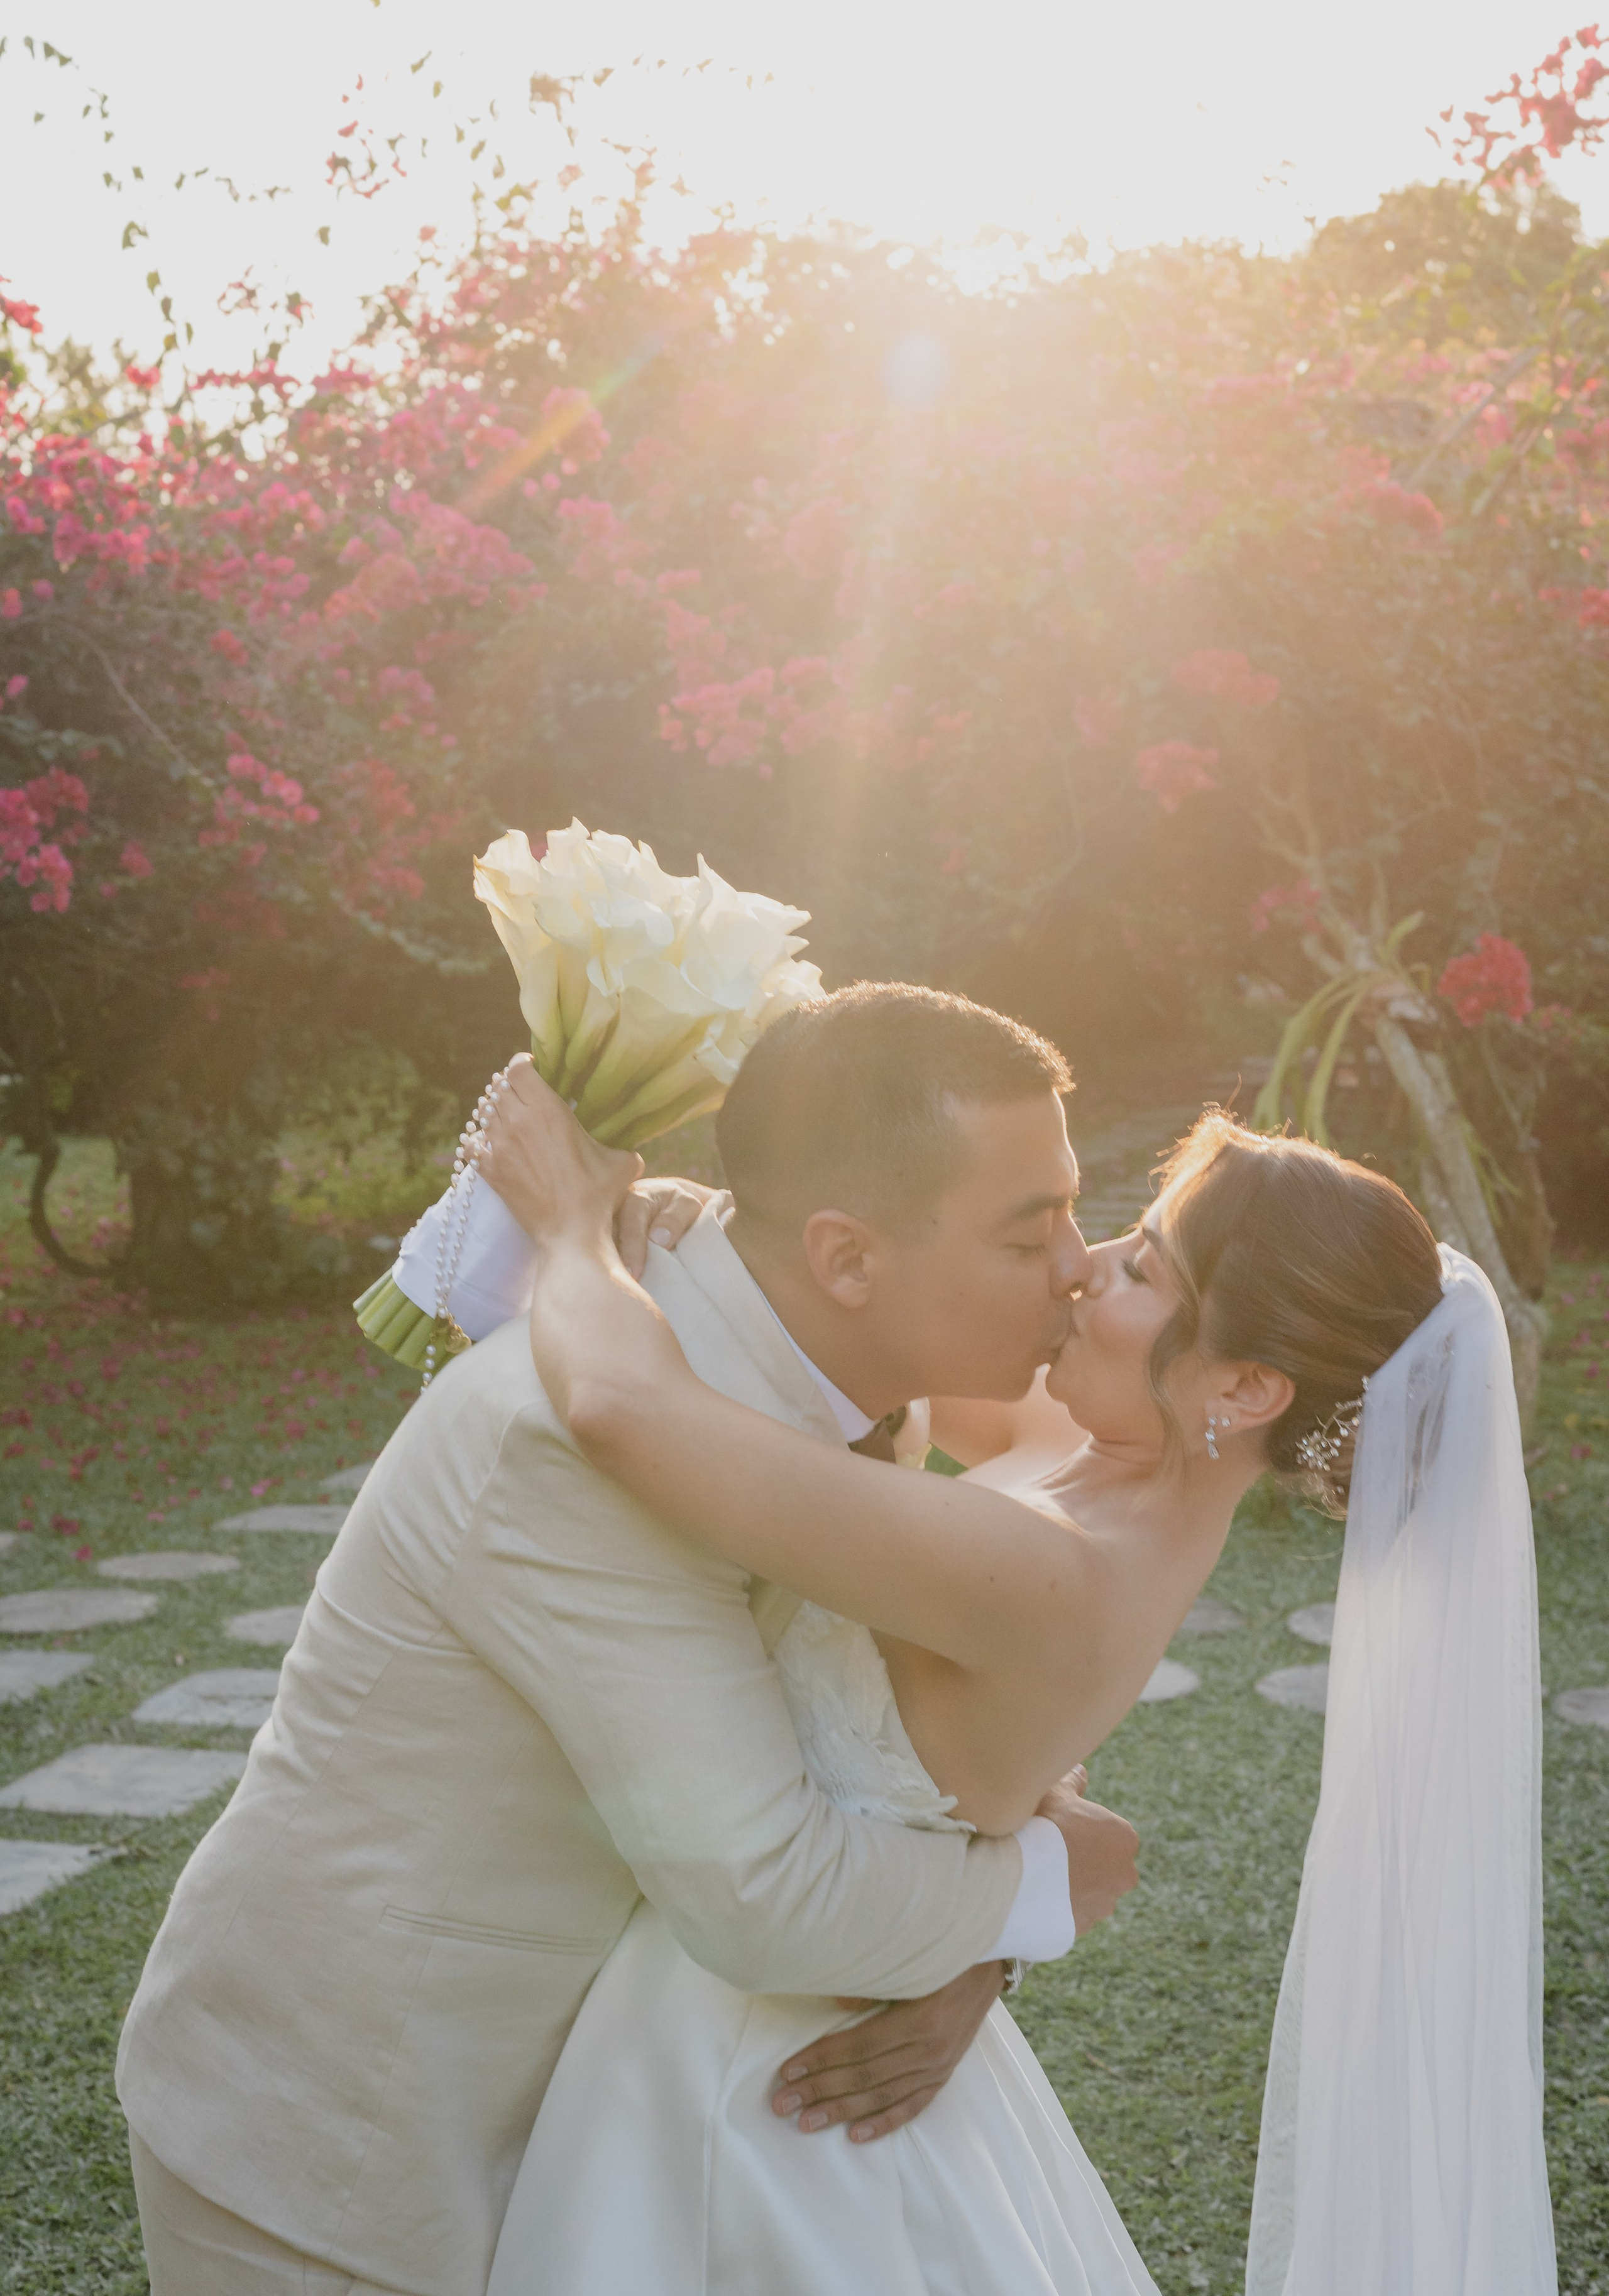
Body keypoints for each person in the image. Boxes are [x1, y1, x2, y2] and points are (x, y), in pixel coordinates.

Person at [477, 1013, 1553, 2293]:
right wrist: (710, 1218)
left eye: (1143, 1268)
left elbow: (621, 1408)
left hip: (758, 2077)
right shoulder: (1095, 1452)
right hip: (785, 1989)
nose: (1083, 1271)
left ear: (1244, 1389)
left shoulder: (1057, 1573)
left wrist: (568, 1226)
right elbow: (873, 1330)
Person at [117, 984, 1139, 2296]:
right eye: (1031, 1230)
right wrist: (1042, 1883)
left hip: (598, 2122)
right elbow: (766, 1888)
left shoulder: (851, 1368)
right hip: (357, 2141)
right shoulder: (575, 1446)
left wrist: (981, 1953)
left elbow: (909, 1711)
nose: (1078, 1265)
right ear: (845, 1259)